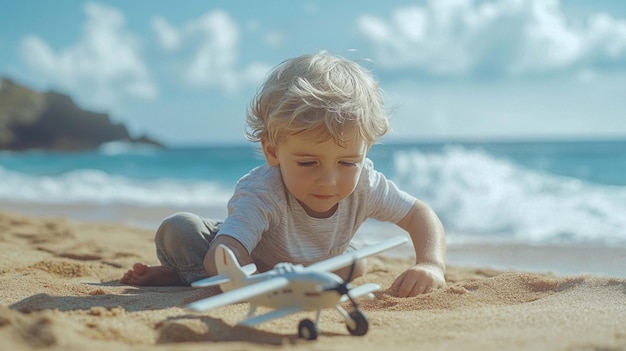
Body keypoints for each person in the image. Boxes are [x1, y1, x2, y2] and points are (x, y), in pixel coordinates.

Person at [121, 51, 446, 297]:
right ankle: (182, 274)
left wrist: (431, 263)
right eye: (308, 163)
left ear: (366, 151)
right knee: (179, 229)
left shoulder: (366, 184)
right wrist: (238, 272)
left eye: (348, 162)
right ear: (273, 151)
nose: (329, 180)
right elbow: (227, 251)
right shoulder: (263, 192)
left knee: (356, 262)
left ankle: (187, 276)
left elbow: (420, 214)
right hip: (250, 258)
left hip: (314, 262)